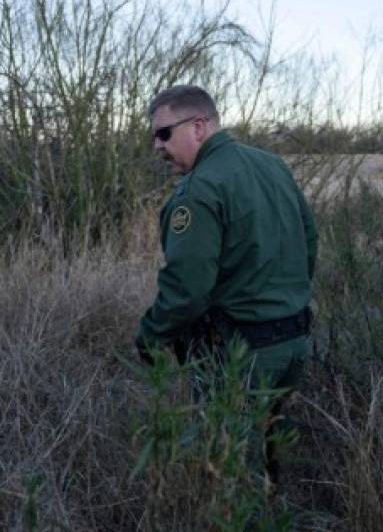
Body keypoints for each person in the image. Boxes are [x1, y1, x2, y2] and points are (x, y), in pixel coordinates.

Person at [134, 84, 317, 482]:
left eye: (164, 133)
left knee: (234, 481)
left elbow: (187, 289)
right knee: (271, 466)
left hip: (242, 357)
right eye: (153, 136)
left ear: (198, 127)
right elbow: (310, 242)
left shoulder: (199, 190)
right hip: (293, 347)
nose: (157, 146)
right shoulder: (273, 166)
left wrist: (150, 335)